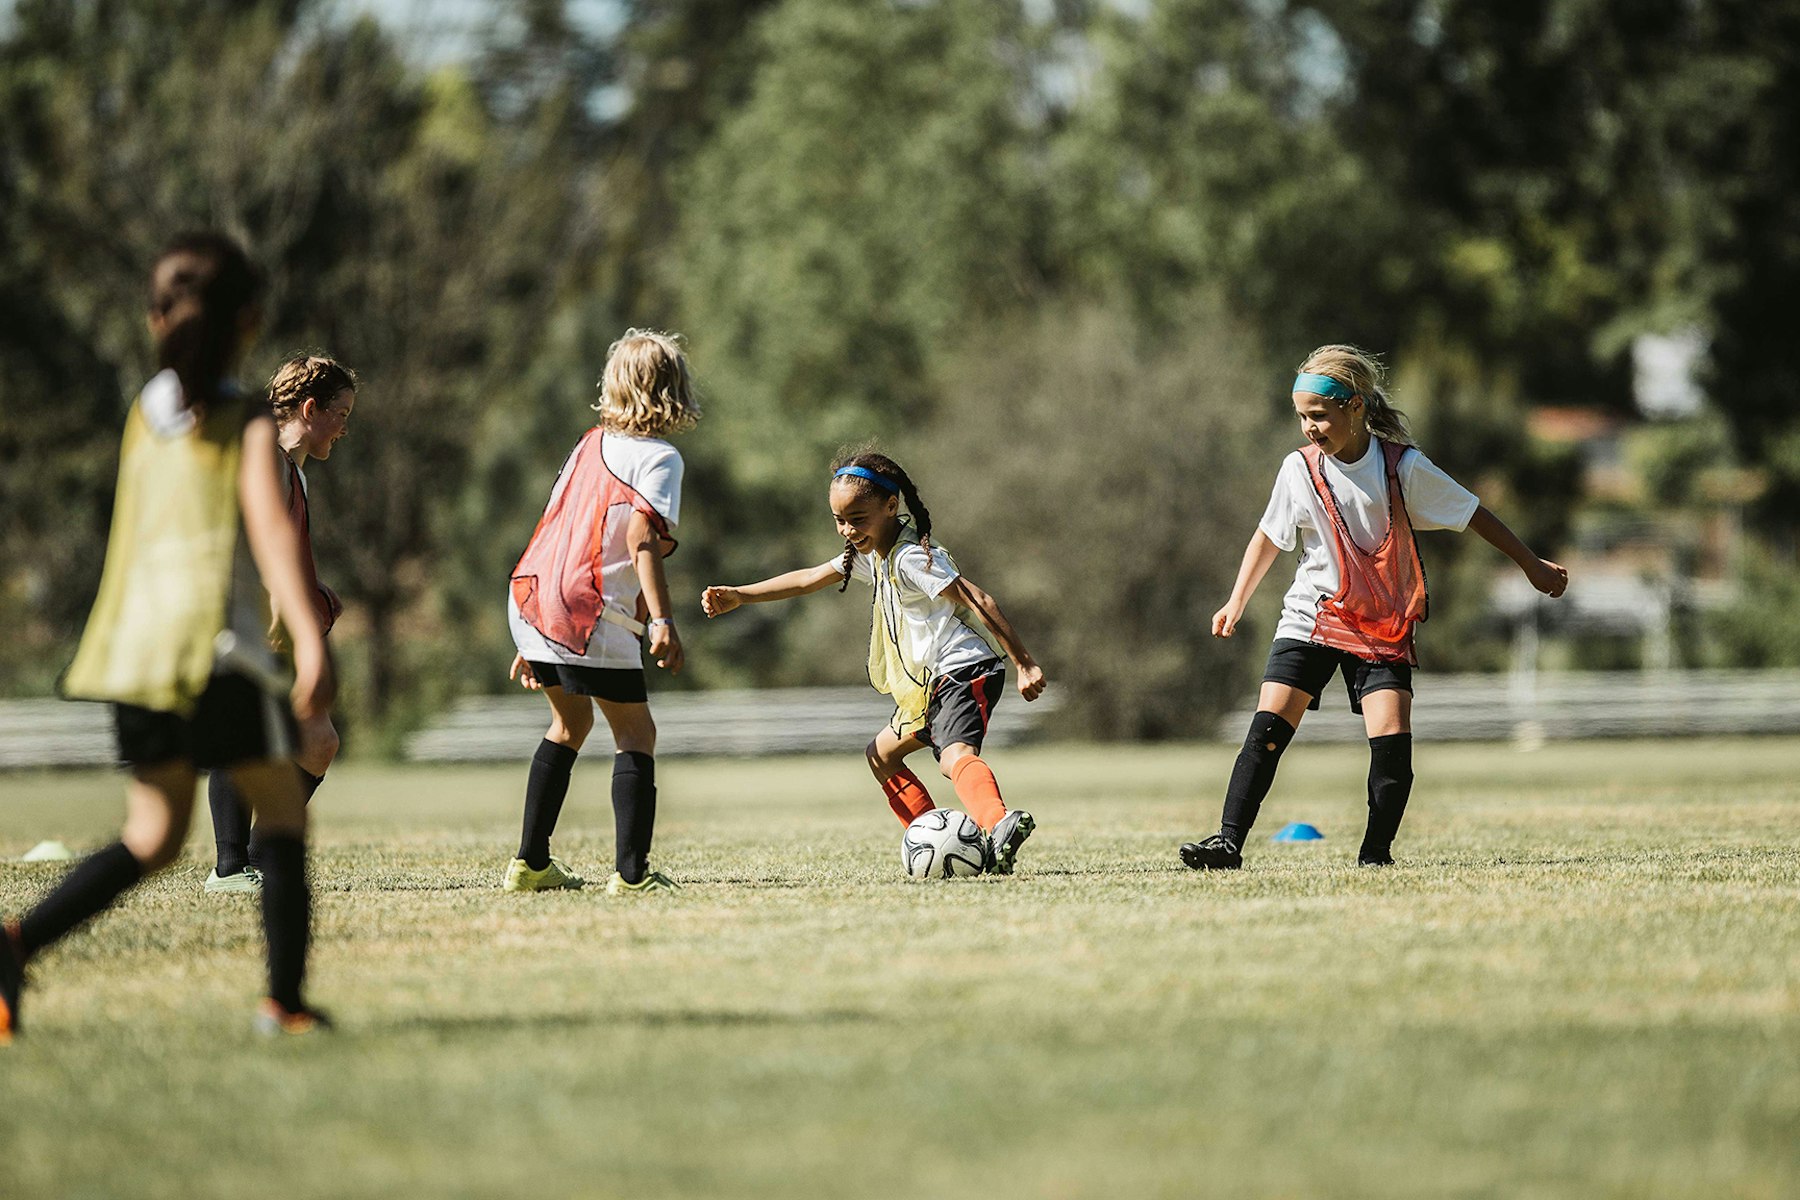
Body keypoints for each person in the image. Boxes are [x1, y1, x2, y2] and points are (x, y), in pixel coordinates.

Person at [1, 232, 336, 1042]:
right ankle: (284, 1004)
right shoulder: (245, 418)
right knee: (284, 809)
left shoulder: (145, 414)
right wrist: (315, 646)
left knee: (152, 837)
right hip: (211, 655)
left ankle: (14, 945)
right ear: (250, 321)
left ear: (156, 318)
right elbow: (270, 531)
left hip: (132, 656)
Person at [1181, 344, 1568, 871]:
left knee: (1391, 745)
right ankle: (1227, 843)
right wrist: (1236, 600)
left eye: (1318, 415)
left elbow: (1473, 512)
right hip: (1312, 616)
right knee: (1268, 727)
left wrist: (1531, 564)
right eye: (1300, 416)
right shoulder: (1298, 469)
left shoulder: (1402, 467)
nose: (1308, 428)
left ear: (1356, 406)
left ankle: (1375, 854)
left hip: (1381, 626)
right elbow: (1268, 537)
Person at [701, 449, 1047, 873]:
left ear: (890, 505)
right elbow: (808, 578)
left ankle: (998, 824)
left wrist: (1025, 664)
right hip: (932, 681)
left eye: (857, 518)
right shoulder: (872, 555)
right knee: (881, 756)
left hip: (963, 666)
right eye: (839, 520)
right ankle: (939, 843)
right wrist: (740, 594)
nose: (847, 529)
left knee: (953, 755)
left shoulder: (910, 557)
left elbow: (979, 599)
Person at [502, 329, 700, 895]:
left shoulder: (587, 443)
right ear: (674, 389)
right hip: (587, 610)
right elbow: (641, 536)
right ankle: (632, 876)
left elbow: (555, 525)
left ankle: (530, 864)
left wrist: (534, 628)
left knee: (570, 723)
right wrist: (662, 620)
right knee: (637, 734)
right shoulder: (661, 457)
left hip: (533, 596)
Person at [205, 354, 356, 895]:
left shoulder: (293, 469)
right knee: (249, 735)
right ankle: (229, 866)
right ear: (309, 408)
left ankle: (254, 855)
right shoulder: (264, 454)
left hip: (268, 623)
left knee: (318, 742)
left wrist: (313, 595)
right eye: (339, 412)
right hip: (236, 619)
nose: (344, 426)